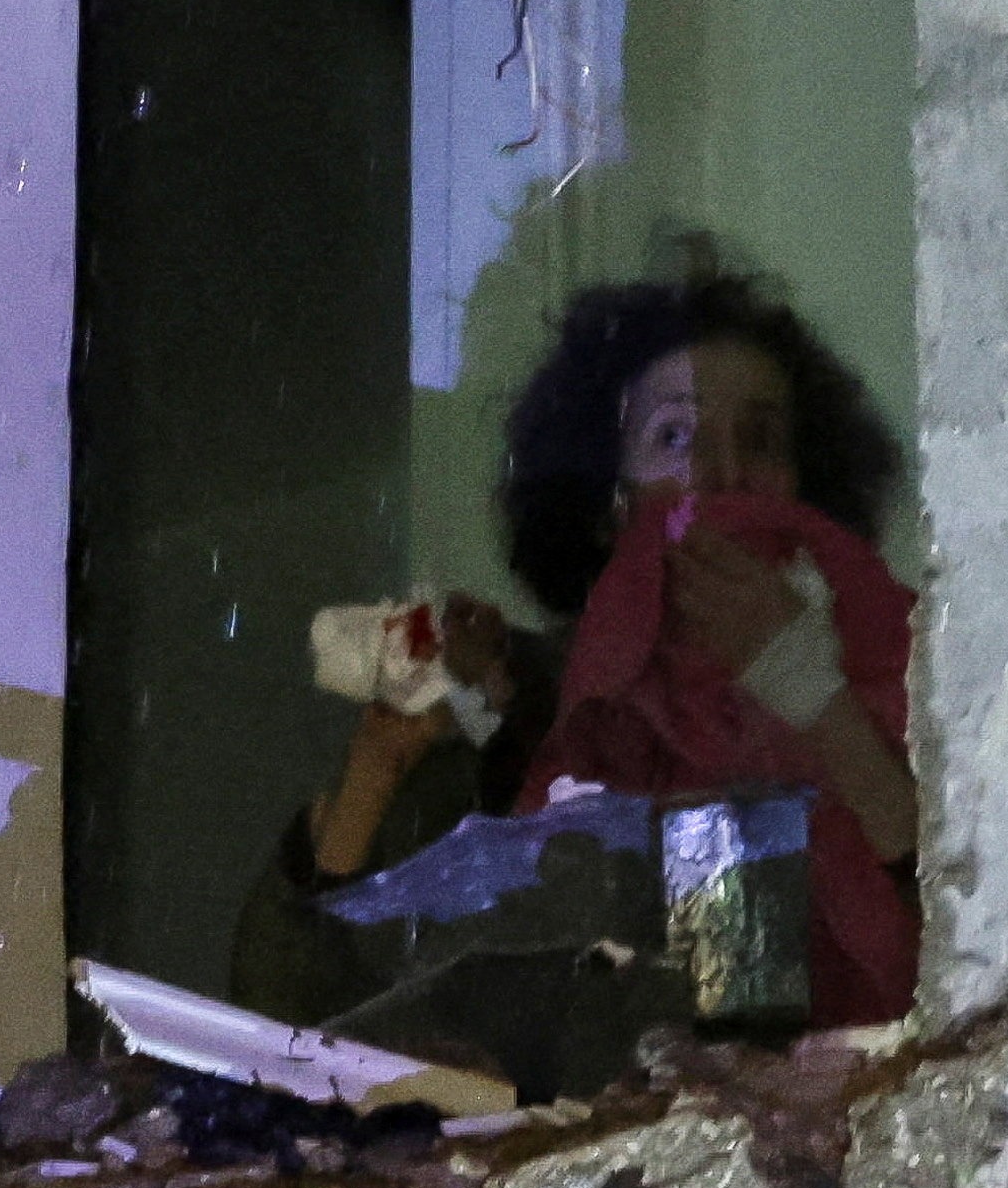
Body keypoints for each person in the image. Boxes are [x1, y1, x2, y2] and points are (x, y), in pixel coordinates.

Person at [232, 268, 919, 1041]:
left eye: (759, 440)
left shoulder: (900, 676)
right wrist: (377, 769)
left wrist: (808, 695)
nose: (721, 477)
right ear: (609, 500)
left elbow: (931, 947)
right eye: (677, 437)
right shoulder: (522, 709)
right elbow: (287, 1016)